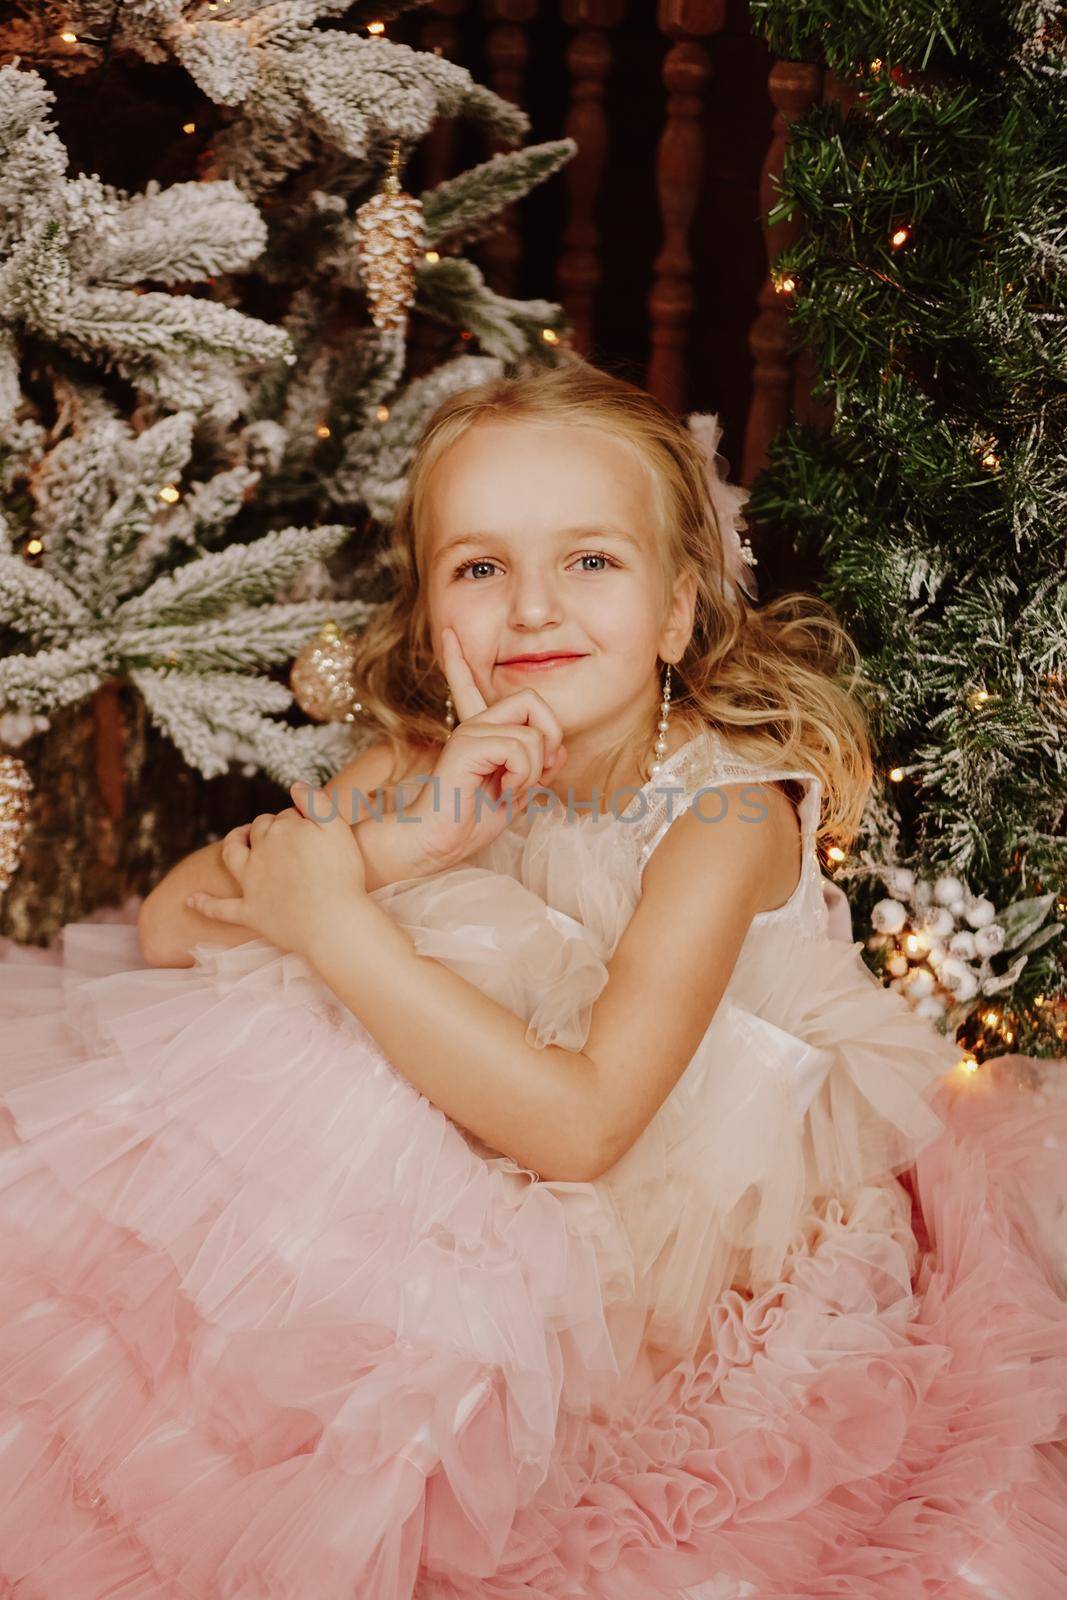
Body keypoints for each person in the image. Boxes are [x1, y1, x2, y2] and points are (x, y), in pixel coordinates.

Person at [1, 357, 1065, 1599]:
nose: (532, 609)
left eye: (590, 561)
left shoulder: (726, 818)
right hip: (480, 1162)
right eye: (480, 567)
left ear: (675, 611)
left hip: (666, 1219)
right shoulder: (426, 755)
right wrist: (406, 838)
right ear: (430, 609)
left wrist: (341, 917)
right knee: (236, 1095)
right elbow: (181, 925)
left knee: (337, 1025)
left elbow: (583, 1126)